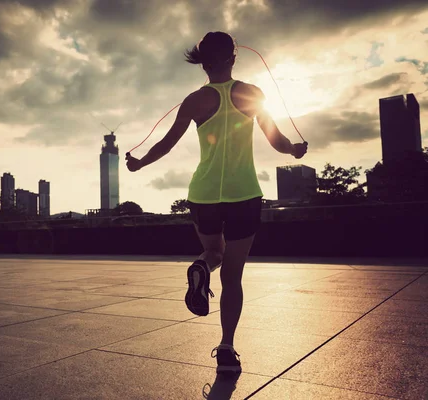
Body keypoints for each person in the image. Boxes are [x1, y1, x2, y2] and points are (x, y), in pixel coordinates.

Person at [125, 31, 308, 375]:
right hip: (244, 195)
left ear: (203, 63)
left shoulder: (195, 100)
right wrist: (295, 150)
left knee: (214, 254)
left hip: (204, 195)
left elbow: (165, 144)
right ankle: (226, 349)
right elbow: (277, 140)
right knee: (233, 277)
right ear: (233, 57)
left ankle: (200, 268)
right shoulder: (252, 93)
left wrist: (138, 164)